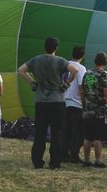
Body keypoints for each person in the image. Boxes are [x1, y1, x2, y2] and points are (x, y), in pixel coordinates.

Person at [17, 36, 76, 170]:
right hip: (57, 101)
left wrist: (32, 83)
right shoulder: (60, 61)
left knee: (40, 133)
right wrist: (66, 84)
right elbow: (75, 70)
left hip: (40, 101)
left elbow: (21, 70)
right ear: (56, 48)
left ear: (45, 47)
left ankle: (37, 161)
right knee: (57, 133)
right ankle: (54, 163)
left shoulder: (36, 60)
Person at [80, 52, 107, 168]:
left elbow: (82, 90)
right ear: (105, 63)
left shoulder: (87, 73)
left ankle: (86, 160)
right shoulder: (103, 74)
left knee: (87, 137)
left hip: (87, 109)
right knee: (97, 137)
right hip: (99, 110)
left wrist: (84, 104)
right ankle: (98, 161)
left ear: (95, 61)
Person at [63, 45, 87, 165]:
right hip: (76, 104)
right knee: (76, 132)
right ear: (83, 56)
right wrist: (84, 104)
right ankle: (74, 155)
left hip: (64, 102)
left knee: (65, 130)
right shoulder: (81, 69)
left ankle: (63, 153)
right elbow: (81, 87)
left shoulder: (65, 65)